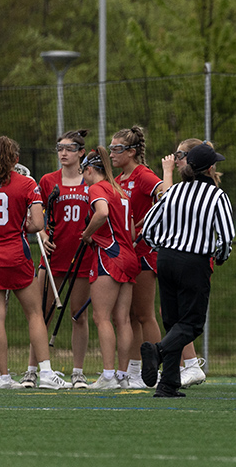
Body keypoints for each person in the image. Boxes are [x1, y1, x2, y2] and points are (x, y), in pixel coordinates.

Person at [0, 136, 71, 390]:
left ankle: (4, 378)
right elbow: (38, 224)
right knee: (34, 314)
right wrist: (22, 227)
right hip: (17, 255)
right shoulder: (27, 184)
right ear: (15, 160)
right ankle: (45, 373)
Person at [141, 144, 235, 398]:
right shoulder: (217, 196)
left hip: (166, 258)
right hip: (194, 261)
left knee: (173, 322)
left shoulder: (173, 192)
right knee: (192, 324)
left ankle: (168, 384)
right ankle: (158, 352)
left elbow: (148, 226)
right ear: (211, 168)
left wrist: (161, 248)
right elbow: (226, 236)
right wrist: (221, 256)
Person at [21, 130, 96, 389]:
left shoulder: (91, 182)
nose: (63, 153)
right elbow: (35, 215)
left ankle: (77, 372)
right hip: (52, 258)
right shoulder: (48, 180)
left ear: (81, 152)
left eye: (69, 148)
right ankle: (33, 371)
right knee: (42, 315)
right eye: (60, 148)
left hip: (82, 258)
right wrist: (41, 234)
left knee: (79, 316)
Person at [79, 147, 140, 389]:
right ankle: (122, 377)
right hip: (129, 256)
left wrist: (87, 234)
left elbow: (102, 213)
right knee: (122, 320)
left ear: (90, 169)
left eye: (84, 172)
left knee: (101, 317)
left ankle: (107, 376)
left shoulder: (98, 188)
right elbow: (133, 231)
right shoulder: (122, 192)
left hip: (110, 255)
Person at [160, 137, 217, 388]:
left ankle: (184, 362)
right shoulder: (187, 187)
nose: (176, 158)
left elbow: (166, 202)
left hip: (191, 257)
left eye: (181, 155)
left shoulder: (200, 189)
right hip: (177, 253)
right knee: (172, 316)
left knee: (185, 317)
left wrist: (166, 172)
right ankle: (182, 368)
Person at [110, 125, 164, 388]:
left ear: (131, 152)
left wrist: (147, 224)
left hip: (145, 253)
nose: (111, 154)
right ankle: (134, 371)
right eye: (110, 149)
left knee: (144, 314)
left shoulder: (144, 175)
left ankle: (157, 369)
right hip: (126, 255)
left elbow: (165, 197)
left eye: (116, 149)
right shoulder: (119, 180)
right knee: (129, 315)